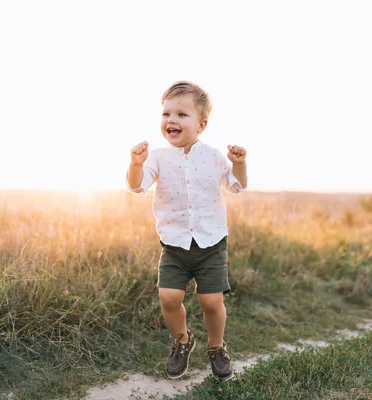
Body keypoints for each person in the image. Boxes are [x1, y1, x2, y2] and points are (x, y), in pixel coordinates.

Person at [126, 81, 248, 380]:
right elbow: (136, 186)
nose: (172, 120)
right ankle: (183, 340)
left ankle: (217, 346)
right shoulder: (156, 157)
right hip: (175, 244)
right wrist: (135, 163)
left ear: (201, 124)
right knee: (168, 297)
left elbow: (237, 186)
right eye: (167, 113)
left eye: (182, 114)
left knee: (211, 301)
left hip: (210, 243)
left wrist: (239, 163)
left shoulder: (213, 156)